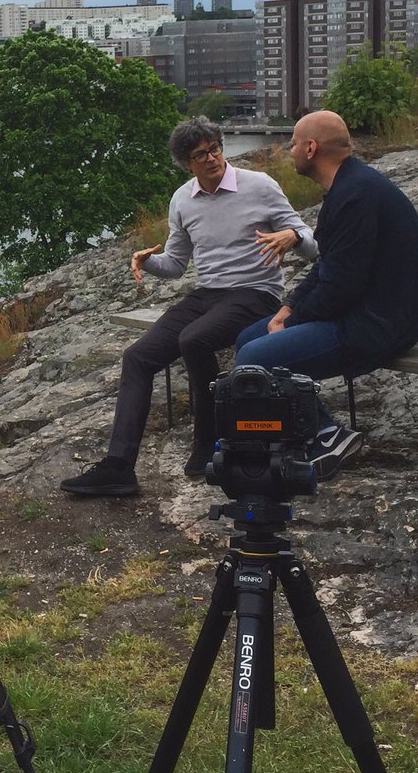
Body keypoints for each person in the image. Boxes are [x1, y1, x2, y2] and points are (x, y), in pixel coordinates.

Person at [61, 116, 318, 496]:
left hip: (256, 292)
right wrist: (147, 261)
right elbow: (176, 264)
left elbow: (312, 244)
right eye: (201, 155)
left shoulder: (259, 186)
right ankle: (118, 467)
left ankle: (209, 442)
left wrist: (293, 235)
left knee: (194, 339)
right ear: (187, 163)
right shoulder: (183, 199)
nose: (212, 158)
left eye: (215, 149)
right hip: (207, 294)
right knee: (137, 357)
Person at [234, 109, 418, 477]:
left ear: (311, 148)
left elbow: (341, 287)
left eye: (294, 145)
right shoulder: (347, 188)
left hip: (381, 322)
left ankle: (327, 434)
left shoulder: (356, 195)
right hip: (365, 309)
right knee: (246, 339)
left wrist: (292, 322)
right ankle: (292, 432)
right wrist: (289, 307)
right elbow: (327, 265)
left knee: (256, 357)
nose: (290, 151)